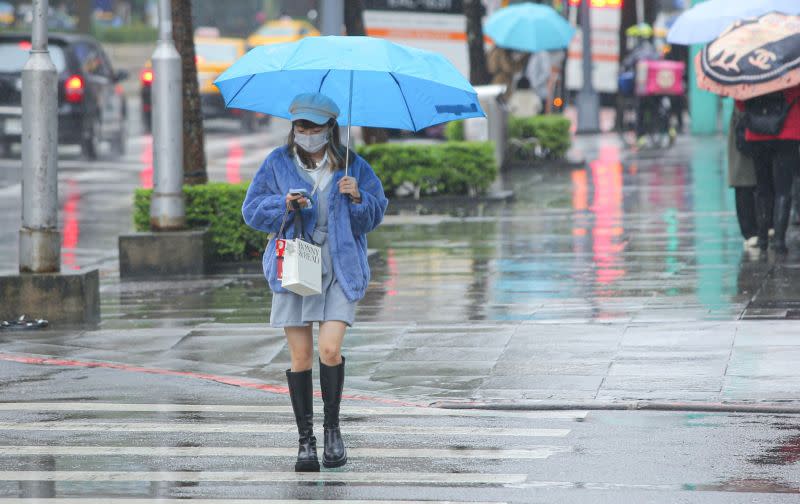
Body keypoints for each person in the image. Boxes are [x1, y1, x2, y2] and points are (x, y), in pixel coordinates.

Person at [242, 93, 388, 472]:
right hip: (295, 265)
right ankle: (305, 442)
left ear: (330, 129)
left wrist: (358, 198)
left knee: (329, 349)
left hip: (340, 266)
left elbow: (374, 214)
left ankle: (333, 432)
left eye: (314, 127)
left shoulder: (352, 164)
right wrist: (283, 205)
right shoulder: (277, 163)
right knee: (301, 357)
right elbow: (251, 211)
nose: (306, 133)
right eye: (301, 126)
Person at [736, 85, 800, 253]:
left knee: (763, 188)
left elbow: (740, 103)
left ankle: (763, 238)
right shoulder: (792, 66)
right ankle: (779, 241)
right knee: (783, 190)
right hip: (788, 131)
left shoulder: (752, 67)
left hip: (758, 132)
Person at [621, 24, 660, 145]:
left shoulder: (637, 51)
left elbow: (627, 63)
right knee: (655, 110)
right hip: (654, 88)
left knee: (640, 111)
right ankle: (656, 131)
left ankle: (640, 136)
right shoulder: (653, 50)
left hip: (641, 88)